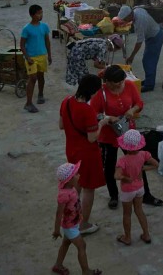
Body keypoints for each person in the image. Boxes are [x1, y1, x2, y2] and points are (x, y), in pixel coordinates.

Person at [90, 65, 162, 210]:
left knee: (138, 162)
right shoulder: (100, 92)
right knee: (109, 167)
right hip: (108, 136)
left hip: (128, 134)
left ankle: (146, 194)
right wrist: (108, 118)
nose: (120, 85)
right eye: (117, 83)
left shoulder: (128, 85)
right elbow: (93, 113)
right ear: (108, 82)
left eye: (121, 82)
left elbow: (139, 103)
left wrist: (133, 109)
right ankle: (114, 196)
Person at [59, 74, 111, 235]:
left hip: (72, 150)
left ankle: (71, 216)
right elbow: (92, 138)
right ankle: (83, 224)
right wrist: (102, 123)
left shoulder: (66, 101)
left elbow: (61, 125)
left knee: (76, 187)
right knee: (89, 189)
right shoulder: (87, 110)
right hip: (87, 154)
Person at [52, 162, 103, 275]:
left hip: (73, 224)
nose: (79, 175)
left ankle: (58, 265)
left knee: (66, 243)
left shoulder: (72, 188)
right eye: (76, 174)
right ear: (69, 179)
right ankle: (86, 271)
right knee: (82, 246)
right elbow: (58, 213)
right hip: (70, 226)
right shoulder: (64, 194)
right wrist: (56, 230)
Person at [114, 129, 157, 246]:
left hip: (128, 190)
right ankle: (146, 234)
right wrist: (143, 169)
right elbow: (156, 164)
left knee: (127, 214)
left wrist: (125, 178)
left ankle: (127, 237)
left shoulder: (122, 160)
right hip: (140, 188)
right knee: (139, 210)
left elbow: (117, 176)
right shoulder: (143, 155)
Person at [118, 5, 163, 93]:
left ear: (130, 15)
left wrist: (132, 56)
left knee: (149, 61)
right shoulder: (136, 10)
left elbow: (139, 42)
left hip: (155, 37)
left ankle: (149, 85)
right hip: (152, 35)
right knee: (148, 59)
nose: (125, 21)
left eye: (125, 19)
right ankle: (148, 80)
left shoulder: (140, 22)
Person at [20, 4, 53, 113]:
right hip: (31, 57)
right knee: (32, 78)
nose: (41, 15)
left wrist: (49, 55)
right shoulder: (26, 29)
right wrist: (27, 57)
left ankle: (40, 94)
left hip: (42, 55)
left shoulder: (44, 26)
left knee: (41, 76)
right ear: (32, 15)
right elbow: (22, 45)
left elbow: (47, 41)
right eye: (38, 13)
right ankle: (28, 103)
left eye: (41, 13)